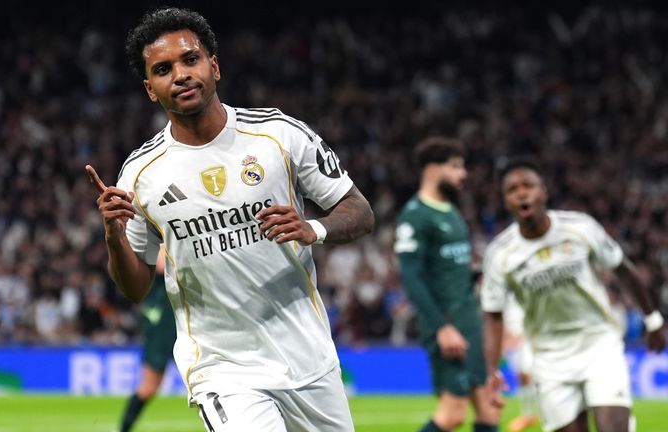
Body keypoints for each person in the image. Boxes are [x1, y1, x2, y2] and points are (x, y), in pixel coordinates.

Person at [85, 7, 374, 432]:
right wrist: (113, 234)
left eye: (190, 59)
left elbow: (360, 211)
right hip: (223, 369)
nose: (180, 74)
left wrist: (313, 228)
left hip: (308, 355)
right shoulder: (141, 174)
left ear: (214, 66)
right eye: (163, 69)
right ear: (151, 89)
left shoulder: (279, 135)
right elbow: (135, 286)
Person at [481, 159, 666, 432]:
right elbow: (493, 315)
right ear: (505, 201)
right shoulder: (500, 254)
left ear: (543, 191)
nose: (521, 193)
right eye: (512, 189)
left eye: (528, 185)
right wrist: (492, 370)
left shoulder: (580, 228)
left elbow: (624, 270)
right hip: (549, 359)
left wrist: (652, 320)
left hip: (599, 345)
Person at [394, 137, 500, 432]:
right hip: (447, 326)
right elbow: (411, 276)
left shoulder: (452, 213)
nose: (463, 174)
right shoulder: (415, 216)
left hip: (469, 320)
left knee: (489, 409)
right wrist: (441, 326)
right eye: (455, 167)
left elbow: (452, 271)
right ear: (432, 170)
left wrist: (478, 276)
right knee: (453, 414)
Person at [117, 247, 176, 432]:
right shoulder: (158, 233)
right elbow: (162, 265)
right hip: (161, 321)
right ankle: (122, 429)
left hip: (180, 318)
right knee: (150, 385)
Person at [501, 297, 540, 432]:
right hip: (514, 336)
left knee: (529, 374)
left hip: (528, 336)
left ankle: (536, 413)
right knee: (521, 376)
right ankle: (528, 415)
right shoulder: (505, 290)